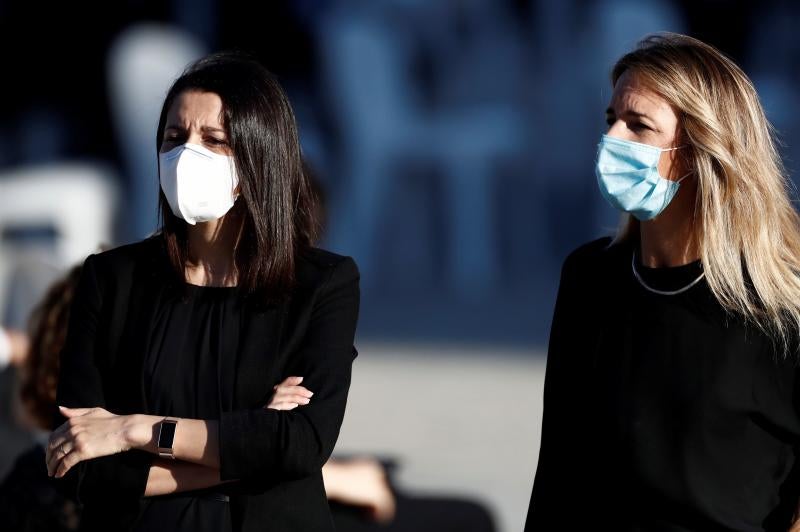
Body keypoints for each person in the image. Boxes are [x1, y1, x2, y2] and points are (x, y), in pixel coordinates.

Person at [45, 52, 360, 532]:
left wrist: (132, 428)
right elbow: (78, 466)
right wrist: (247, 445)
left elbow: (301, 444)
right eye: (174, 138)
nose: (185, 155)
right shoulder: (112, 279)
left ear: (259, 157)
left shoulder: (320, 284)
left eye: (213, 140)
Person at [526, 33, 800, 531]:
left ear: (699, 149)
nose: (613, 139)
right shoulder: (590, 278)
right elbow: (559, 469)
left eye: (639, 125)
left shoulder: (779, 305)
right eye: (611, 119)